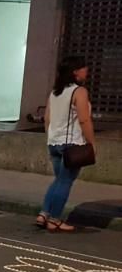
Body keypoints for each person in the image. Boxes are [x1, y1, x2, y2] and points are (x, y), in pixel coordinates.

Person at [38, 56, 96, 233]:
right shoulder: (79, 91)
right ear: (75, 71)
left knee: (59, 180)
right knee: (65, 182)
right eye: (84, 68)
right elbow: (84, 120)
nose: (87, 70)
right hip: (71, 144)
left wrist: (52, 137)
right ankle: (54, 219)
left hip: (54, 142)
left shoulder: (55, 92)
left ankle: (44, 213)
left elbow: (47, 118)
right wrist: (91, 143)